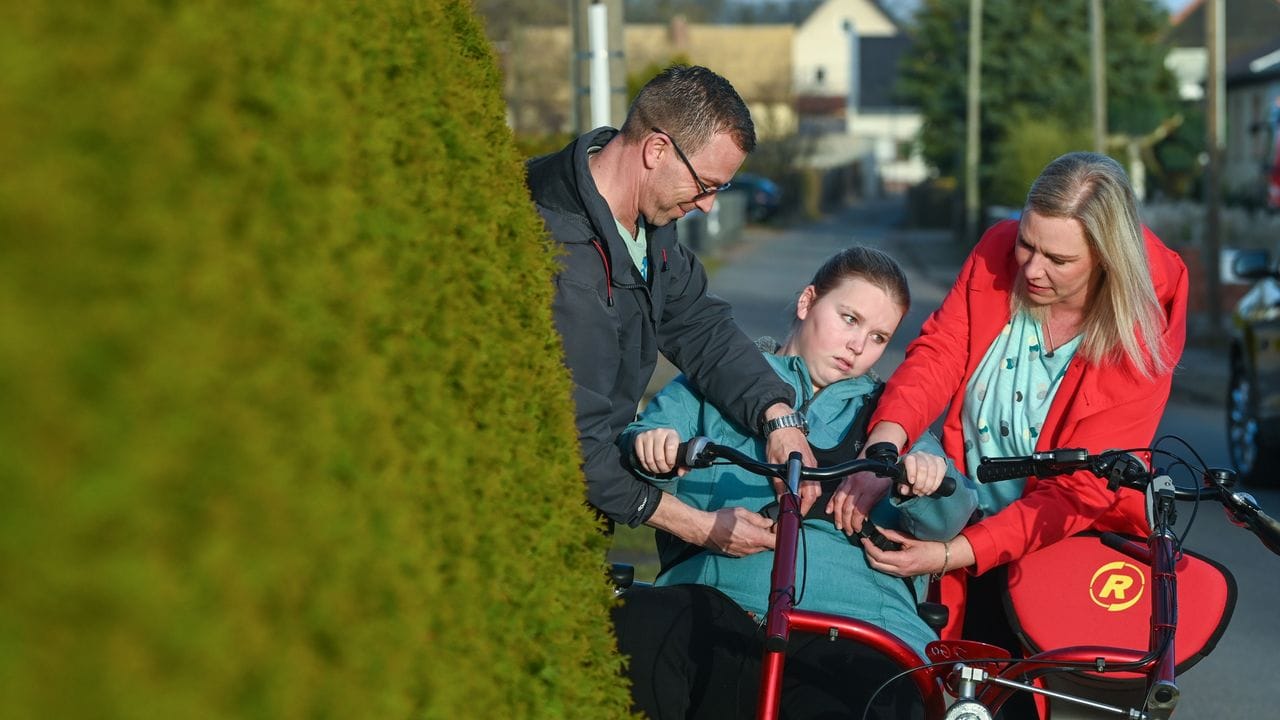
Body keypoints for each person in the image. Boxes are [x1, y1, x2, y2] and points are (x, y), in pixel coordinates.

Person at [828, 152, 1188, 716]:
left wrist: (952, 554)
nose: (1032, 268)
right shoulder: (996, 250)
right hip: (954, 513)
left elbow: (1079, 492)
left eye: (1059, 258)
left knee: (1017, 700)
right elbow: (939, 356)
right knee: (928, 687)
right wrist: (884, 450)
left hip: (1056, 545)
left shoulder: (1141, 326)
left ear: (1106, 260)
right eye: (1027, 243)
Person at [612, 246, 978, 720]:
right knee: (639, 626)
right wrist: (654, 448)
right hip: (718, 603)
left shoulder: (891, 416)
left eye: (878, 336)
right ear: (807, 302)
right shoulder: (713, 384)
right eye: (848, 318)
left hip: (855, 627)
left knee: (881, 695)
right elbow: (637, 447)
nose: (857, 346)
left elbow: (949, 515)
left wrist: (927, 482)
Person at [526, 65, 818, 555]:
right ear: (657, 149)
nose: (707, 206)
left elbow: (701, 326)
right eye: (705, 184)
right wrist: (701, 526)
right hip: (536, 518)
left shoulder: (647, 225)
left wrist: (778, 417)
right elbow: (577, 449)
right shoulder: (566, 262)